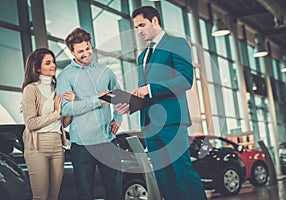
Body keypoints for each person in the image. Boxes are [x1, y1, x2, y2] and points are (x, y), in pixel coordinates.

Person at [116, 6, 207, 200]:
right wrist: (130, 105)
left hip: (172, 121)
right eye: (136, 27)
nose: (139, 30)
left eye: (142, 25)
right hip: (150, 125)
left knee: (182, 170)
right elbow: (143, 93)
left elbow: (185, 79)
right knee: (164, 177)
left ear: (155, 21)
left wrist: (150, 88)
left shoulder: (176, 44)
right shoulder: (142, 56)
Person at [56, 28, 123, 200]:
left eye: (88, 48)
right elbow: (65, 109)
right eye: (80, 51)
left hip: (108, 142)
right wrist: (97, 100)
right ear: (72, 52)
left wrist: (118, 118)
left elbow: (119, 96)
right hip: (82, 146)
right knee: (85, 194)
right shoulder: (65, 76)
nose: (86, 54)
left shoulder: (105, 71)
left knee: (116, 192)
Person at [21, 48, 74, 200]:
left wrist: (69, 107)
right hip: (37, 147)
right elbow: (30, 123)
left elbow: (63, 124)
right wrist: (56, 114)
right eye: (48, 62)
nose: (53, 66)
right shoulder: (30, 90)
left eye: (53, 62)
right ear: (38, 67)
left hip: (58, 145)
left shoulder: (58, 90)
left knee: (54, 196)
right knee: (40, 197)